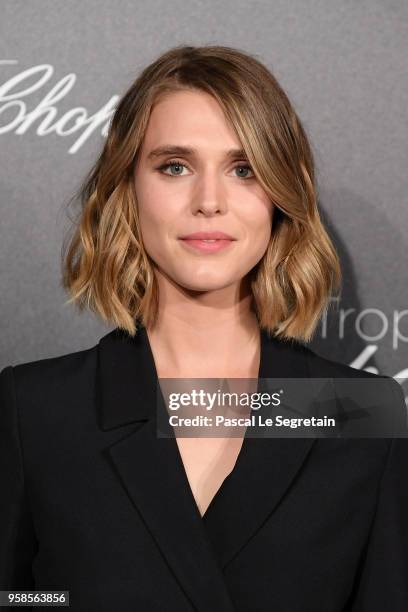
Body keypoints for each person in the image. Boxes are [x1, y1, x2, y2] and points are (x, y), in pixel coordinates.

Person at [0, 45, 407, 612]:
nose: (209, 202)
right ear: (128, 186)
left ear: (281, 196)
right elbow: (18, 598)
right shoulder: (35, 410)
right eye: (175, 166)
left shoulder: (359, 412)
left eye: (243, 170)